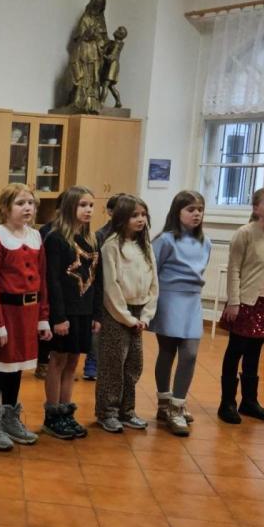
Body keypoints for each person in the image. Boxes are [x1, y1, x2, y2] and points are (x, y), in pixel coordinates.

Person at [0, 184, 50, 450]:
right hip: (5, 314)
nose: (27, 207)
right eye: (20, 203)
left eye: (30, 203)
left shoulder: (36, 236)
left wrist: (43, 317)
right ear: (6, 208)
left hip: (28, 314)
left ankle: (9, 419)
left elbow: (42, 280)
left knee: (16, 368)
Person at [218, 186, 264, 424]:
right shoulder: (244, 233)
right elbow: (234, 269)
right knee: (236, 349)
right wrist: (234, 301)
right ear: (256, 208)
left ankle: (249, 401)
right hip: (246, 302)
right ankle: (227, 402)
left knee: (255, 351)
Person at [42, 186, 102, 439]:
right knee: (57, 360)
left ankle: (66, 412)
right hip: (64, 312)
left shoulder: (92, 240)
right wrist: (58, 317)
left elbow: (97, 280)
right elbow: (53, 280)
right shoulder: (56, 239)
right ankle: (52, 414)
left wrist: (96, 314)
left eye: (91, 205)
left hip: (84, 311)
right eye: (82, 205)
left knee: (73, 362)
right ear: (69, 208)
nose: (88, 210)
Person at [95, 194, 157, 434]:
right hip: (117, 313)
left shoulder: (146, 246)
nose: (140, 219)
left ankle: (127, 410)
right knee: (113, 364)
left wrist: (146, 316)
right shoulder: (111, 246)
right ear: (121, 218)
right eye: (134, 215)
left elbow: (154, 284)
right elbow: (110, 287)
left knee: (134, 365)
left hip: (140, 314)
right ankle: (107, 412)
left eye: (143, 215)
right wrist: (127, 318)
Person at [150, 190, 211, 437]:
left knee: (190, 354)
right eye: (190, 209)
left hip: (192, 300)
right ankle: (165, 404)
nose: (196, 214)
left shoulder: (206, 242)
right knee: (167, 352)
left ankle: (178, 404)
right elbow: (152, 271)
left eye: (200, 209)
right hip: (169, 299)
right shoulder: (165, 240)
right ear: (178, 212)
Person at [82, 193, 120, 381]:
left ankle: (110, 364)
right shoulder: (100, 235)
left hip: (123, 290)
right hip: (103, 287)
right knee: (97, 327)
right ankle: (92, 360)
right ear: (110, 212)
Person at [100, 26, 127, 108]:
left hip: (112, 65)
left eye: (118, 30)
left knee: (105, 84)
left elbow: (111, 57)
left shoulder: (116, 44)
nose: (116, 30)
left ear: (120, 35)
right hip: (112, 65)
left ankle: (101, 102)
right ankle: (118, 102)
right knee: (110, 86)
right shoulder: (114, 43)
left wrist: (102, 55)